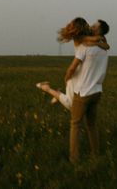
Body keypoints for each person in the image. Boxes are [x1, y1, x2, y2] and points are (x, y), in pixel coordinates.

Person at [37, 17, 109, 163]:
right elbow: (104, 46)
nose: (92, 26)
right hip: (97, 91)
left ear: (99, 30)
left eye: (95, 25)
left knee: (75, 124)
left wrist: (67, 77)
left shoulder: (84, 47)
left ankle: (74, 159)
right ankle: (96, 154)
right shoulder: (103, 49)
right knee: (91, 125)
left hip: (83, 93)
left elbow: (72, 67)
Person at [36, 19, 110, 110]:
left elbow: (107, 46)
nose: (90, 27)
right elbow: (94, 40)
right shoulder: (80, 38)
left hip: (81, 74)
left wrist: (99, 42)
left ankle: (56, 94)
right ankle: (46, 88)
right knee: (71, 105)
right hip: (76, 73)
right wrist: (98, 41)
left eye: (94, 26)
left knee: (75, 102)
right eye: (90, 25)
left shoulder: (88, 37)